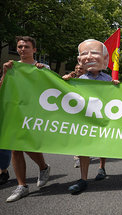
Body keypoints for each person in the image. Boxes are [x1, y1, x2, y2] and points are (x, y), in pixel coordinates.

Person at [1, 36, 51, 202]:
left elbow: (54, 89)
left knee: (27, 145)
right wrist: (4, 73)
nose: (23, 49)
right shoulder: (12, 67)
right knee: (15, 147)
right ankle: (22, 186)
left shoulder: (43, 68)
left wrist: (44, 72)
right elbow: (3, 89)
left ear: (34, 50)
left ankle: (43, 167)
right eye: (20, 47)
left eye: (27, 47)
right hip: (16, 112)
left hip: (34, 112)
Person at [66, 39, 117, 194]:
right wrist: (65, 84)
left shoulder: (108, 79)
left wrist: (117, 88)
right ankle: (83, 178)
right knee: (83, 148)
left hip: (102, 118)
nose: (89, 57)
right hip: (86, 120)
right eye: (84, 54)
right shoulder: (79, 80)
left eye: (94, 53)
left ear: (105, 59)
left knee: (102, 144)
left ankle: (101, 168)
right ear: (79, 60)